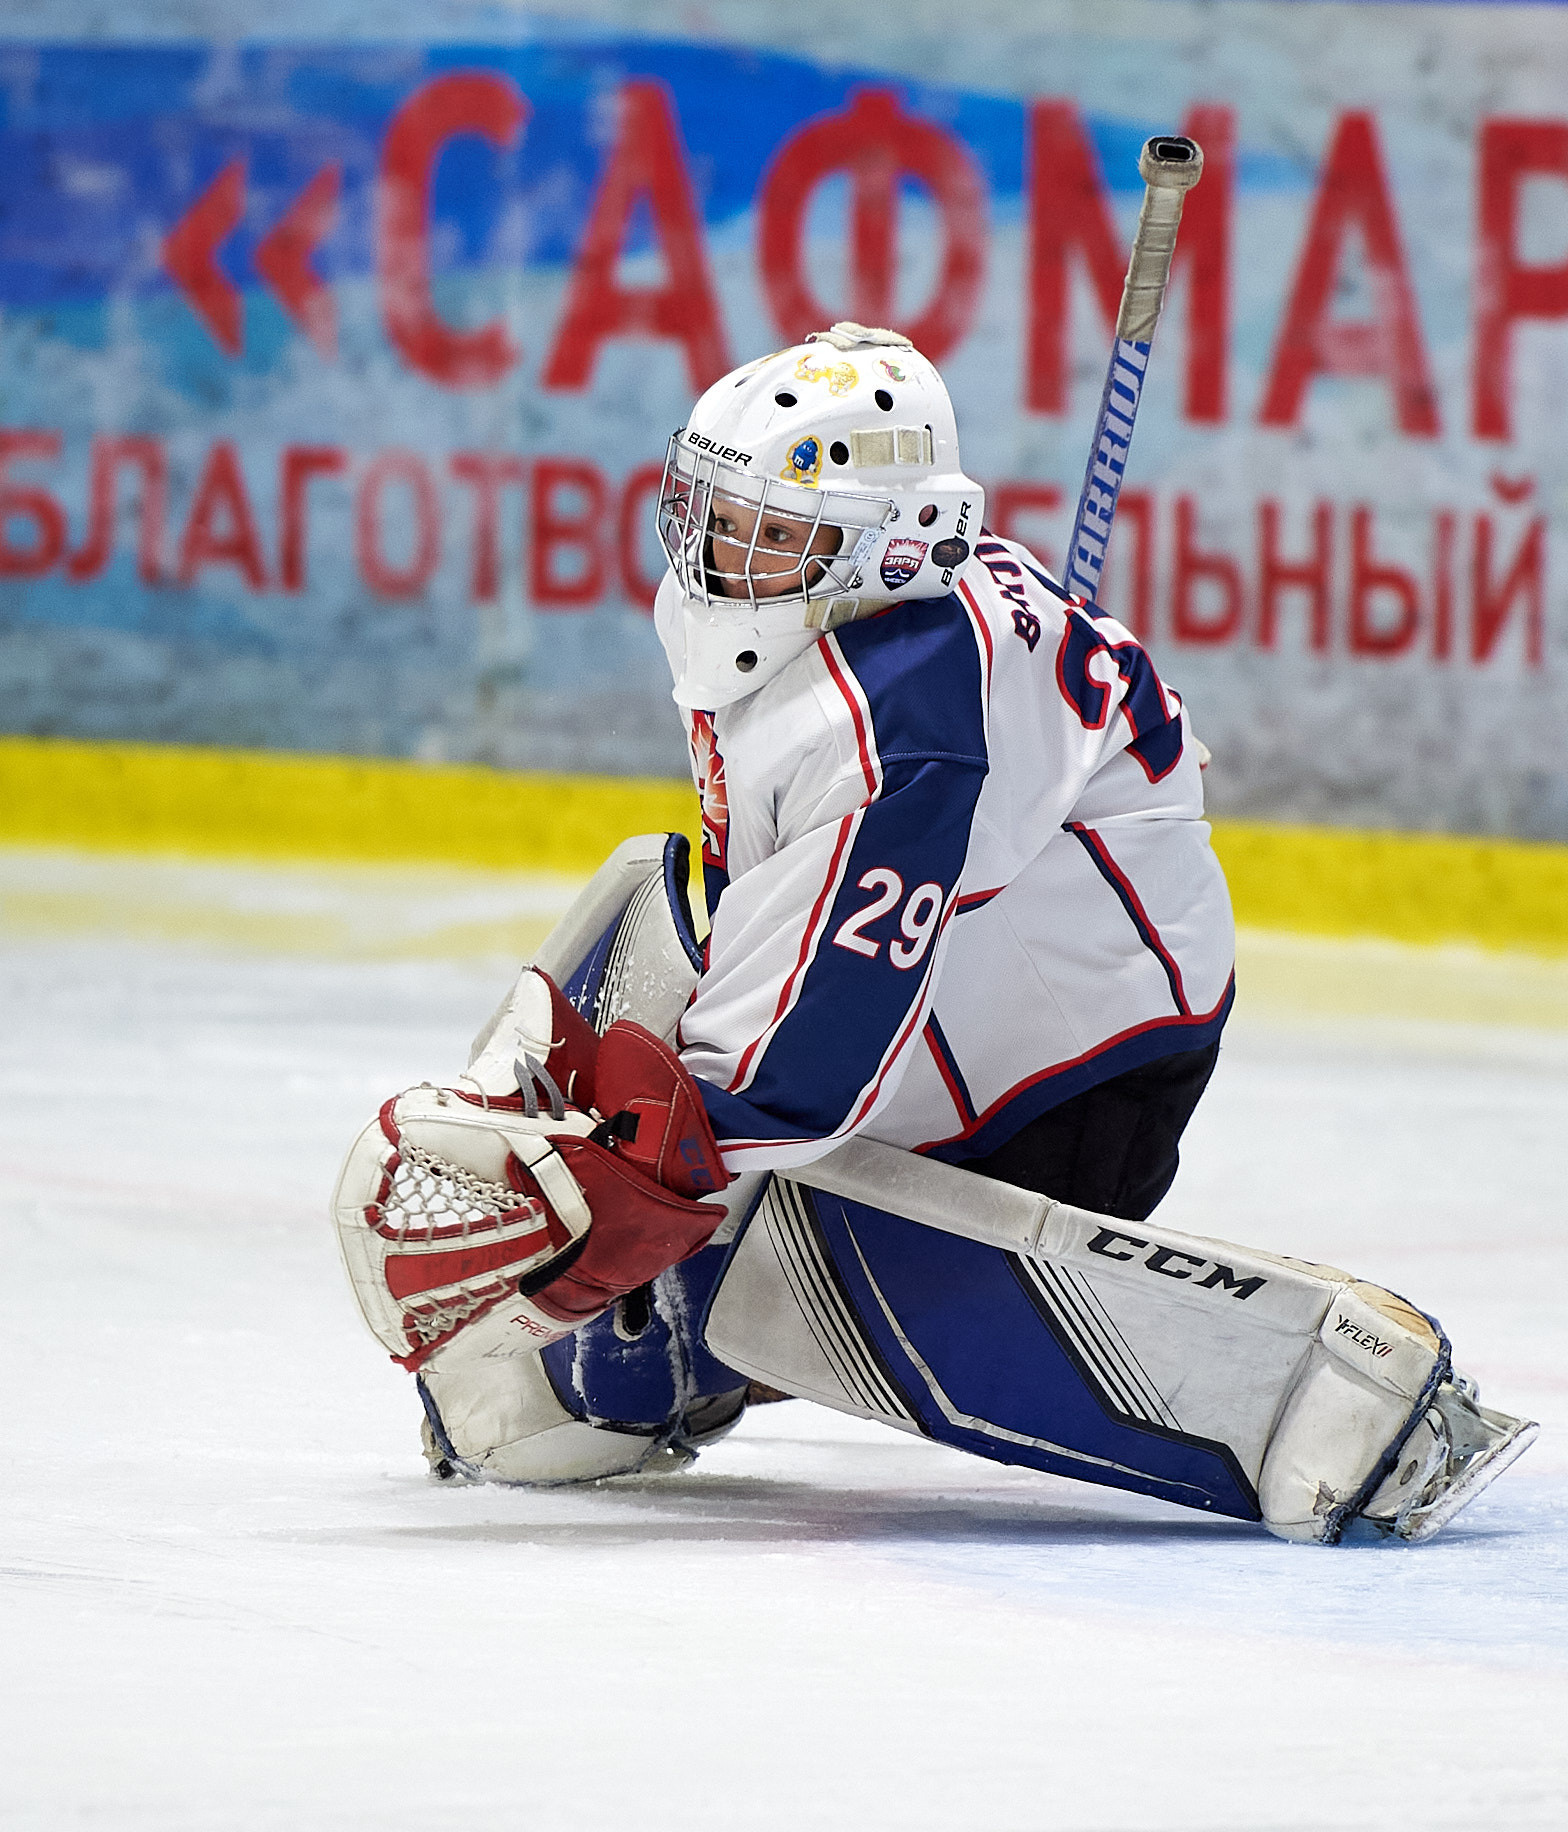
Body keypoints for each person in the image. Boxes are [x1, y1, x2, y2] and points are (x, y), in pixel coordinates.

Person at [333, 324, 1534, 1544]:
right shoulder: (868, 616)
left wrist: (629, 1184)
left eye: (770, 531)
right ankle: (637, 1346)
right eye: (711, 510)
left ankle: (1322, 1403)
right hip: (1015, 967)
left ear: (889, 541)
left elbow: (802, 1077)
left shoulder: (897, 721)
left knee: (775, 1251)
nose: (719, 553)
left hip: (1077, 1076)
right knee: (654, 911)